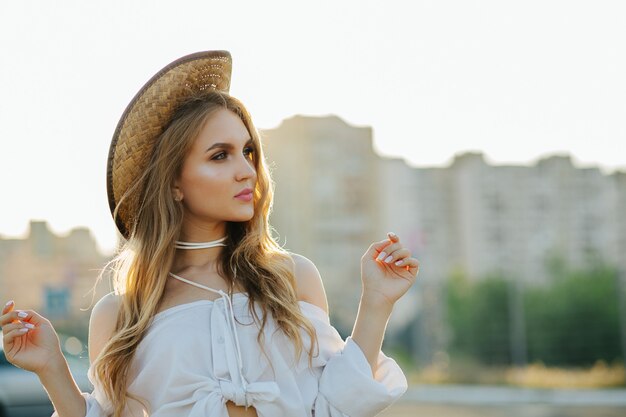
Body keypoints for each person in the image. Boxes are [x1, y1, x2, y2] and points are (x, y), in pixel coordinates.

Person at [1, 50, 419, 417]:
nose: (246, 170)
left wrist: (376, 302)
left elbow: (333, 406)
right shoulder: (122, 312)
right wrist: (52, 368)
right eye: (220, 155)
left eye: (248, 151)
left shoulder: (291, 277)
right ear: (173, 183)